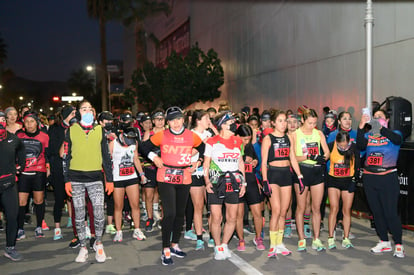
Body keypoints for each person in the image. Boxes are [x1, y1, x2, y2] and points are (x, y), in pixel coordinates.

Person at [141, 106, 205, 266]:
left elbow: (203, 148)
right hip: (165, 176)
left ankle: (175, 244)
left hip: (184, 177)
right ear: (168, 122)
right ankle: (165, 248)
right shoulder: (162, 135)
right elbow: (143, 147)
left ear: (183, 119)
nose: (175, 123)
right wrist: (154, 157)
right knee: (169, 213)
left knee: (179, 213)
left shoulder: (191, 136)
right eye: (172, 120)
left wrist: (198, 161)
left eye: (178, 119)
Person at [63, 100, 114, 263]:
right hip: (75, 178)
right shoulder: (71, 131)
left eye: (90, 109)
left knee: (99, 212)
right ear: (78, 113)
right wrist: (66, 180)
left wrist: (110, 180)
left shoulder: (100, 130)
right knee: (79, 214)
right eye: (83, 109)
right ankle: (83, 247)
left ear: (93, 112)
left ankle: (98, 243)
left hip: (95, 178)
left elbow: (106, 156)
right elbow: (66, 157)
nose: (87, 111)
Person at [357, 109, 405, 258]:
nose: (377, 119)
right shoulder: (369, 135)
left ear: (387, 120)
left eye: (380, 117)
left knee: (390, 213)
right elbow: (360, 145)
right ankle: (384, 241)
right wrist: (360, 127)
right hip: (370, 178)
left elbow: (397, 141)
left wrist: (381, 128)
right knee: (377, 212)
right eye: (375, 117)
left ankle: (398, 244)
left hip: (388, 178)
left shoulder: (395, 133)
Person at [204, 112, 246, 260]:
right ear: (222, 124)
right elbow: (206, 164)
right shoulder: (212, 141)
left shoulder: (238, 141)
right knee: (216, 217)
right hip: (215, 181)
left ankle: (224, 245)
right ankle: (217, 245)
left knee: (232, 217)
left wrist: (244, 183)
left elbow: (240, 162)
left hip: (233, 181)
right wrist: (207, 181)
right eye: (231, 122)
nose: (234, 124)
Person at [261, 110, 303, 257]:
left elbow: (292, 158)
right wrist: (265, 180)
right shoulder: (268, 138)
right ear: (273, 123)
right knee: (276, 210)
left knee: (284, 212)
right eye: (280, 120)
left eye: (285, 120)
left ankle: (280, 243)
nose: (284, 123)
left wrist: (300, 176)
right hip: (273, 174)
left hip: (286, 175)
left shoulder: (288, 138)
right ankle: (272, 245)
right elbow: (264, 162)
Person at [291, 108, 329, 252]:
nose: (312, 125)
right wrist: (309, 157)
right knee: (301, 207)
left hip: (317, 172)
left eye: (314, 123)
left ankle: (316, 239)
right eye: (309, 123)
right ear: (303, 120)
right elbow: (293, 157)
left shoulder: (318, 133)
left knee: (316, 208)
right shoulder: (295, 135)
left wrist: (322, 157)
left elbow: (326, 152)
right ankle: (301, 238)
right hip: (302, 170)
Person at [16, 111, 50, 240]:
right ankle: (20, 229)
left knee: (38, 200)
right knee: (21, 202)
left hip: (38, 172)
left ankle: (39, 226)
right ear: (23, 123)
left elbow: (47, 154)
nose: (29, 124)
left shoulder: (44, 136)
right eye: (26, 122)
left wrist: (48, 168)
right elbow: (14, 152)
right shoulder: (19, 135)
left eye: (32, 121)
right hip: (23, 173)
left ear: (37, 122)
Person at [109, 127, 147, 242]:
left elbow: (135, 159)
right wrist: (108, 180)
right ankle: (119, 231)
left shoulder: (133, 143)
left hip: (131, 177)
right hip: (117, 178)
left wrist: (141, 174)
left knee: (135, 205)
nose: (129, 143)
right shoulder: (112, 144)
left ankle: (137, 229)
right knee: (118, 206)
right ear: (122, 135)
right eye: (128, 140)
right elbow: (107, 161)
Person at [47, 105, 77, 240]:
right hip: (58, 168)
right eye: (72, 114)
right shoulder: (55, 129)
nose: (74, 116)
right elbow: (53, 150)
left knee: (77, 198)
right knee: (59, 198)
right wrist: (65, 137)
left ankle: (80, 225)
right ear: (65, 116)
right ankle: (57, 227)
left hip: (75, 167)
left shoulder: (79, 127)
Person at [327, 130, 359, 249]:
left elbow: (358, 166)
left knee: (346, 210)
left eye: (345, 145)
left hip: (348, 181)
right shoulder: (331, 146)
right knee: (334, 208)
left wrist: (354, 181)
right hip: (333, 181)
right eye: (341, 145)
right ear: (337, 142)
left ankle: (346, 238)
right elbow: (323, 158)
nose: (343, 147)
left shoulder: (354, 147)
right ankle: (331, 238)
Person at [0, 111, 26, 261]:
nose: (1, 122)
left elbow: (22, 150)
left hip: (8, 183)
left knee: (12, 216)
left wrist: (20, 167)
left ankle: (10, 248)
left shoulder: (13, 139)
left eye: (3, 119)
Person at [234, 124, 264, 252]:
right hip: (237, 182)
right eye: (244, 139)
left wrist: (254, 162)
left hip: (251, 181)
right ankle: (241, 239)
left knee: (257, 213)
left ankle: (258, 238)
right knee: (239, 214)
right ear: (237, 136)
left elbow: (256, 160)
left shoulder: (250, 145)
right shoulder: (232, 146)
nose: (247, 142)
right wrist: (241, 159)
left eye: (249, 139)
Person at [187, 109, 212, 250]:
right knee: (198, 206)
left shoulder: (210, 134)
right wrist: (202, 143)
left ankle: (214, 236)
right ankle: (199, 239)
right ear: (198, 120)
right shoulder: (190, 135)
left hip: (210, 173)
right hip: (195, 173)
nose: (209, 121)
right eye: (207, 118)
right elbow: (187, 154)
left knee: (212, 207)